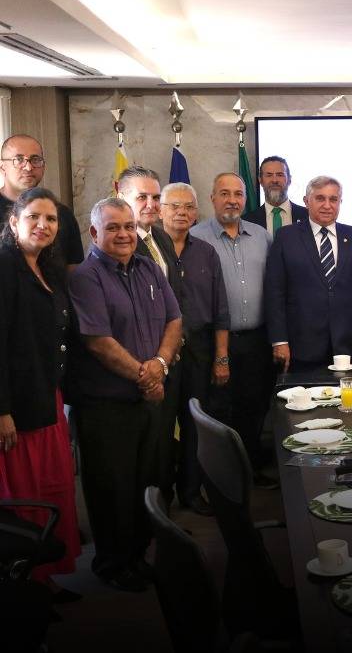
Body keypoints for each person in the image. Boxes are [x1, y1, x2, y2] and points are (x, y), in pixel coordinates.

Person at [68, 198, 181, 592]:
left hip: (148, 398)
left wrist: (161, 366)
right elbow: (98, 341)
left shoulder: (149, 267)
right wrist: (145, 375)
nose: (123, 234)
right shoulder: (85, 277)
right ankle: (112, 564)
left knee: (144, 481)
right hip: (106, 405)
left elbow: (174, 319)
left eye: (129, 227)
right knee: (111, 487)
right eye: (113, 227)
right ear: (94, 233)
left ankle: (136, 555)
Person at [0, 187, 80, 601]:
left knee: (52, 486)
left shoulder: (47, 267)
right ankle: (23, 585)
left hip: (46, 395)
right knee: (25, 494)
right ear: (14, 221)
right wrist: (2, 411)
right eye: (34, 217)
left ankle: (44, 577)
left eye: (51, 219)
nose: (43, 225)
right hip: (15, 406)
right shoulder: (4, 266)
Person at [191, 173, 278, 490]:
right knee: (219, 410)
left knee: (254, 408)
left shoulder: (262, 236)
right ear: (212, 198)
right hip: (214, 343)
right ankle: (221, 480)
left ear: (246, 199)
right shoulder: (195, 237)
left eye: (238, 194)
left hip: (256, 340)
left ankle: (250, 470)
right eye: (224, 193)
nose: (232, 200)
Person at [158, 183, 230, 516]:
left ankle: (190, 491)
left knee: (194, 424)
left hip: (200, 348)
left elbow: (220, 311)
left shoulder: (206, 252)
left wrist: (221, 357)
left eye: (188, 207)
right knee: (160, 427)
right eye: (174, 206)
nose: (182, 213)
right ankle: (160, 496)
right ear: (160, 210)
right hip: (159, 350)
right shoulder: (147, 251)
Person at [117, 166, 185, 496]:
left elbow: (173, 303)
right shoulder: (118, 244)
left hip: (167, 358)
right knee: (142, 454)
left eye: (156, 197)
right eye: (141, 196)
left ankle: (163, 519)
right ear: (121, 197)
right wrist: (152, 367)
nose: (150, 204)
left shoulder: (160, 237)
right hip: (140, 366)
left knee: (162, 446)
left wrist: (167, 356)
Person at [265, 175, 352, 369]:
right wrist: (279, 341)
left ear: (340, 203)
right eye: (320, 198)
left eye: (333, 199)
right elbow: (275, 293)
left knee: (349, 399)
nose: (327, 205)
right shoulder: (286, 237)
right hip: (302, 347)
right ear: (307, 201)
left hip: (348, 346)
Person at [0, 134, 83, 270]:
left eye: (35, 160)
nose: (28, 167)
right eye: (19, 159)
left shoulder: (62, 214)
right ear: (2, 167)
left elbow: (72, 272)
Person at [243, 155, 308, 235]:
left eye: (280, 175)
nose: (274, 180)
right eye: (269, 175)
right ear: (260, 180)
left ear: (289, 180)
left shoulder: (307, 216)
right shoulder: (247, 221)